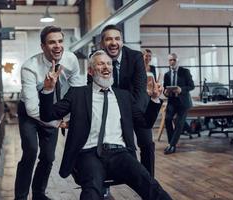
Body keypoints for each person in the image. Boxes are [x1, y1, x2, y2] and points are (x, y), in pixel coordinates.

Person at [39, 50, 172, 200]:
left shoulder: (124, 96)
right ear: (90, 71)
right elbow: (47, 115)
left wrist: (154, 99)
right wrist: (48, 89)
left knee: (150, 185)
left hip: (121, 154)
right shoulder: (77, 94)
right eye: (100, 63)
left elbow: (145, 122)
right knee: (92, 190)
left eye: (109, 63)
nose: (106, 67)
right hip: (89, 154)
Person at [15, 26, 85, 200]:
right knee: (30, 151)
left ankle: (39, 194)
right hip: (29, 113)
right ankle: (21, 197)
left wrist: (72, 117)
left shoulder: (71, 59)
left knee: (48, 156)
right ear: (43, 46)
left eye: (60, 41)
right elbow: (32, 109)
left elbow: (76, 90)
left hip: (51, 109)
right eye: (52, 42)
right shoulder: (29, 68)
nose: (57, 46)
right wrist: (57, 123)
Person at [99, 24, 156, 177]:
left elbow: (139, 88)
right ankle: (108, 181)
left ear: (122, 42)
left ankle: (149, 181)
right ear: (102, 43)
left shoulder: (136, 56)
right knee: (113, 145)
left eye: (117, 39)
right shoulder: (97, 59)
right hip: (112, 110)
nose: (113, 42)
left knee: (146, 143)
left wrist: (128, 116)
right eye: (109, 39)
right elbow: (93, 88)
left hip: (137, 106)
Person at [163, 53, 194, 155]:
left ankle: (172, 145)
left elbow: (191, 86)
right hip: (172, 102)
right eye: (170, 60)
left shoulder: (185, 72)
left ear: (178, 60)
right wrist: (165, 92)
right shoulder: (166, 75)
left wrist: (181, 89)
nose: (172, 62)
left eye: (174, 60)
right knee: (167, 119)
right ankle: (171, 143)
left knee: (179, 123)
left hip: (183, 102)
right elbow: (164, 89)